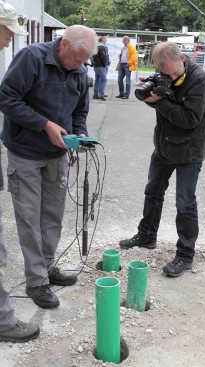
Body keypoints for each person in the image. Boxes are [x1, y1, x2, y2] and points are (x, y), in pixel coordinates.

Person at [0, 24, 98, 309]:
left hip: (58, 155)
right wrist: (44, 125)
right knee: (30, 220)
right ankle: (36, 283)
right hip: (26, 153)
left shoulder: (79, 69)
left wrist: (78, 134)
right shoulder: (31, 57)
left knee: (53, 216)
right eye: (77, 58)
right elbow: (7, 98)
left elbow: (80, 111)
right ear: (64, 44)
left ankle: (47, 266)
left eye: (84, 62)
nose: (80, 66)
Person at [119, 41, 205, 277]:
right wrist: (152, 96)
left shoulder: (199, 79)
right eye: (164, 73)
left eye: (173, 72)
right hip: (164, 146)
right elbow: (164, 104)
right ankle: (147, 236)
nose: (169, 76)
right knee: (153, 192)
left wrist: (160, 102)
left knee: (185, 203)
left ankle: (185, 255)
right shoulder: (164, 74)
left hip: (188, 152)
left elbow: (190, 119)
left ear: (182, 57)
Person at [0, 0, 40, 342]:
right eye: (6, 33)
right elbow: (8, 100)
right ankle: (2, 322)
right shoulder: (29, 60)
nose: (8, 41)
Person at [92, 36, 109, 101]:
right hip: (101, 66)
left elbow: (93, 57)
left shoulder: (95, 47)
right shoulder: (102, 47)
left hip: (96, 66)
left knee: (97, 80)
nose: (105, 42)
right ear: (101, 41)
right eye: (104, 41)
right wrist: (105, 64)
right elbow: (103, 57)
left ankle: (95, 94)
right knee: (104, 79)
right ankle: (101, 94)